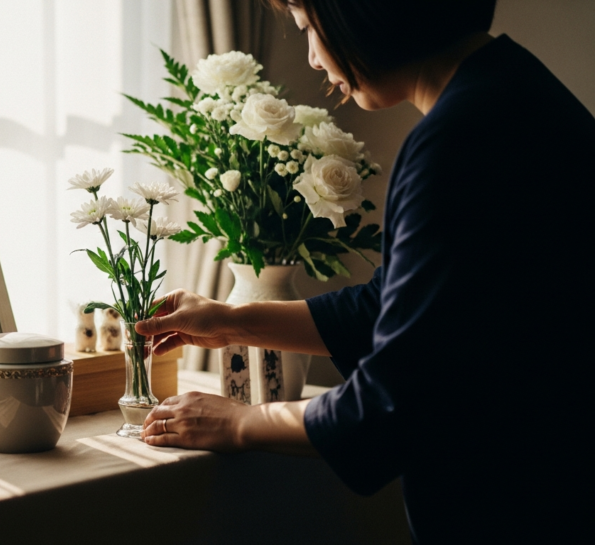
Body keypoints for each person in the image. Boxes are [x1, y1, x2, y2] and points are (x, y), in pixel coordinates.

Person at [135, 0, 592, 542]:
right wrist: (230, 320)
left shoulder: (459, 141)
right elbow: (390, 308)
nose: (310, 57)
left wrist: (237, 422)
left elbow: (394, 398)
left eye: (308, 27)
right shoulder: (511, 92)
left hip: (519, 509)